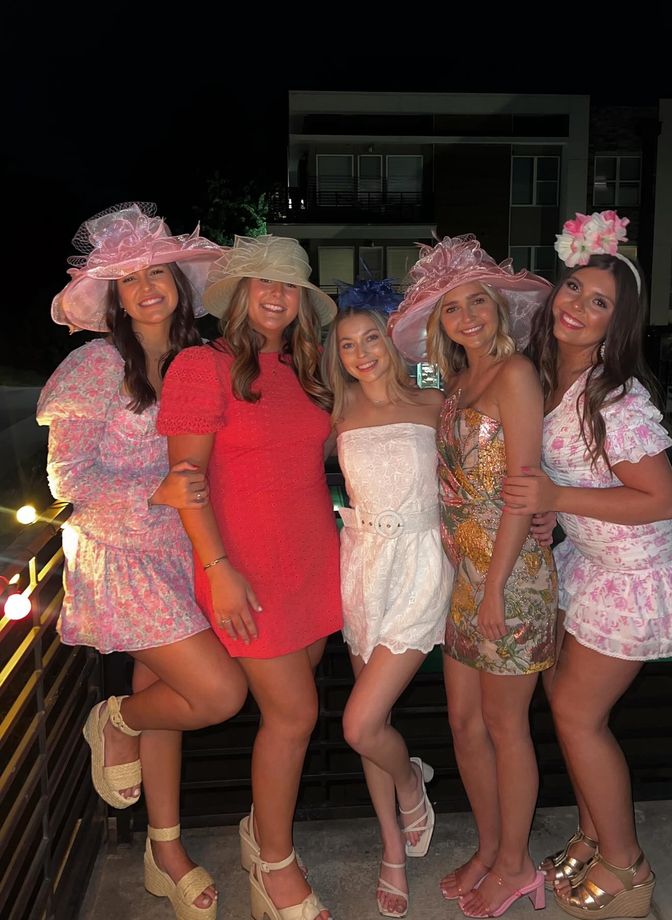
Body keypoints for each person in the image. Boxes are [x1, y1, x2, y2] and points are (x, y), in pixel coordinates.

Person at [502, 210, 672, 919]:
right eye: (573, 288)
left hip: (636, 574)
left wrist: (558, 495)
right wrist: (555, 512)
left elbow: (662, 499)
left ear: (615, 325)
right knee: (569, 710)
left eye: (599, 303)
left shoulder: (615, 397)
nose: (577, 306)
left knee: (575, 713)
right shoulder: (550, 377)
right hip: (592, 562)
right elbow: (582, 486)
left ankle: (627, 866)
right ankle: (594, 835)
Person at [37, 202, 249, 920]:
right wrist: (152, 491)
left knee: (175, 705)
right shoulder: (94, 365)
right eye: (130, 280)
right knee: (218, 694)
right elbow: (69, 483)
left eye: (158, 273)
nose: (147, 288)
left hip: (176, 552)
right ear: (116, 299)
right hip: (117, 554)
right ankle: (116, 720)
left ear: (179, 286)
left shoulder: (198, 361)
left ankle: (166, 851)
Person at [157, 234, 341, 920]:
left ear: (301, 301)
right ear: (237, 294)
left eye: (289, 286)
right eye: (262, 282)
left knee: (284, 719)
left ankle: (256, 833)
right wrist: (218, 570)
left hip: (313, 562)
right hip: (241, 568)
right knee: (296, 715)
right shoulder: (200, 366)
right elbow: (185, 483)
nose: (275, 295)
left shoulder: (307, 369)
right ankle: (274, 863)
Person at [389, 235, 556, 919]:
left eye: (477, 302)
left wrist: (492, 587)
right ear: (440, 325)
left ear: (497, 308)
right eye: (452, 308)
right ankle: (491, 849)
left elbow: (524, 484)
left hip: (509, 580)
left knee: (505, 725)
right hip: (467, 574)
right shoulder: (456, 383)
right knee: (463, 724)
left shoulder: (515, 374)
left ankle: (517, 865)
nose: (468, 316)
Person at [321, 278, 453, 918]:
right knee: (371, 724)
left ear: (392, 341)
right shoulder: (337, 414)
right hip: (361, 567)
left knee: (360, 723)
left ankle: (411, 785)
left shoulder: (436, 402)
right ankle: (393, 854)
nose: (361, 353)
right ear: (336, 355)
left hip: (424, 563)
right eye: (347, 344)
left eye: (371, 337)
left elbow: (487, 464)